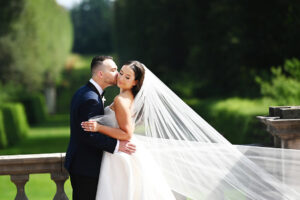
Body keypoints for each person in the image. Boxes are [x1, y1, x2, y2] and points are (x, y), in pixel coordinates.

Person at [81, 61, 176, 199]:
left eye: (127, 77)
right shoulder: (131, 98)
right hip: (126, 151)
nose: (121, 78)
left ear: (135, 82)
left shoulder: (120, 100)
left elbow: (126, 133)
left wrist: (99, 127)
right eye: (121, 73)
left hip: (119, 155)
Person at [64, 56, 136, 200]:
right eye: (114, 70)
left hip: (82, 164)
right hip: (86, 166)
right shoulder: (90, 98)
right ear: (101, 74)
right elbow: (88, 135)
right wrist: (117, 146)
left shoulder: (85, 92)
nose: (118, 74)